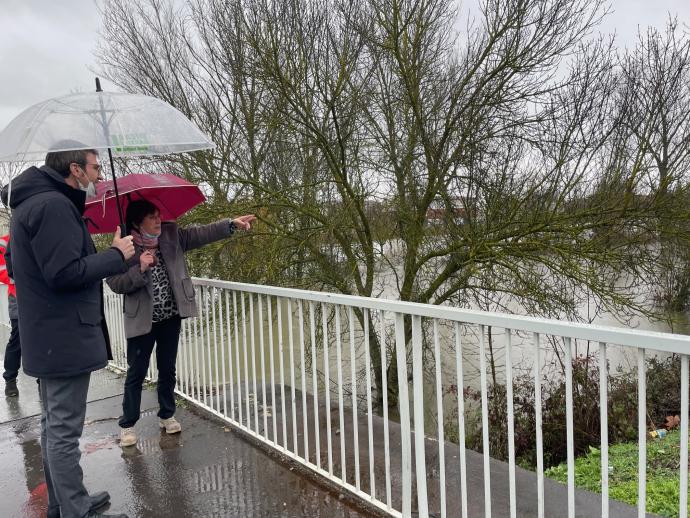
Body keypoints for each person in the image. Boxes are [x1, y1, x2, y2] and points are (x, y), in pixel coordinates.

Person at [4, 142, 134, 518]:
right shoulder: (54, 206)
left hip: (46, 335)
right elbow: (63, 274)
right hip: (62, 336)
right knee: (63, 430)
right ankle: (75, 510)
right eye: (95, 168)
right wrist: (115, 256)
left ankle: (65, 502)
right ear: (76, 169)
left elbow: (23, 266)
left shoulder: (32, 204)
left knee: (53, 425)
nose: (98, 176)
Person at [106, 200, 255, 448]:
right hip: (142, 321)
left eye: (158, 215)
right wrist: (140, 268)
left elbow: (200, 234)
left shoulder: (171, 234)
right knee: (136, 373)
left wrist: (230, 224)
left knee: (167, 368)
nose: (158, 220)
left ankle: (166, 414)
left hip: (170, 316)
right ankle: (128, 425)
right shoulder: (125, 247)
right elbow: (115, 283)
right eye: (152, 217)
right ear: (137, 222)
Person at [0, 233, 20, 397]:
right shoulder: (4, 241)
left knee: (42, 338)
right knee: (18, 338)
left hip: (39, 298)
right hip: (18, 297)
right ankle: (10, 379)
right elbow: (2, 271)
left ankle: (43, 380)